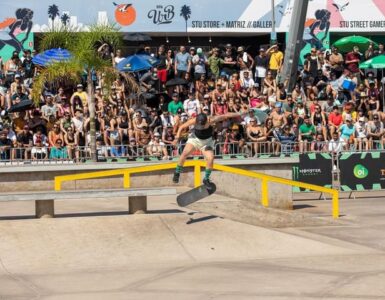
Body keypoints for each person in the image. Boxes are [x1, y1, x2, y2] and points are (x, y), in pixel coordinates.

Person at [172, 111, 245, 186]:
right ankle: (177, 172)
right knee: (184, 153)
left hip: (207, 142)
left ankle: (206, 179)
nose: (201, 126)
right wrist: (177, 138)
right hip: (195, 139)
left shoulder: (212, 119)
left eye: (202, 125)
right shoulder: (194, 120)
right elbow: (182, 127)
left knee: (210, 158)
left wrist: (239, 113)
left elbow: (226, 115)